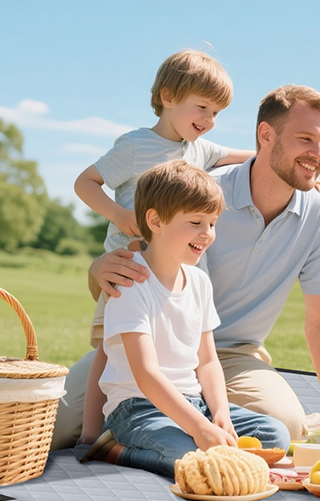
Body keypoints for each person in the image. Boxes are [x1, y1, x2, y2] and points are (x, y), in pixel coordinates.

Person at [58, 84, 320, 455]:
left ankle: (178, 429)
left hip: (233, 356)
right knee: (54, 425)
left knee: (285, 427)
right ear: (266, 135)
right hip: (155, 350)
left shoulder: (319, 212)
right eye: (306, 139)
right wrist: (98, 269)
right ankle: (140, 434)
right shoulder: (202, 196)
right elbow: (141, 275)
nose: (317, 154)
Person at [72, 50, 255, 444]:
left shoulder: (199, 150)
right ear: (168, 96)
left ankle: (187, 415)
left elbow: (247, 158)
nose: (208, 121)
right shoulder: (137, 146)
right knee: (109, 351)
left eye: (217, 113)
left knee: (176, 347)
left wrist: (292, 163)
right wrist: (120, 218)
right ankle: (90, 437)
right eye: (202, 107)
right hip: (129, 265)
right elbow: (85, 181)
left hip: (176, 268)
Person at [91, 160, 288, 477]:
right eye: (196, 222)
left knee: (275, 435)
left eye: (212, 223)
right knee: (187, 454)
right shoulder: (132, 284)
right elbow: (146, 374)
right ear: (155, 221)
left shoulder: (198, 282)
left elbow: (207, 361)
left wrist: (220, 413)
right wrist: (199, 428)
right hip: (137, 409)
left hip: (195, 403)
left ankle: (209, 448)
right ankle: (114, 451)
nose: (207, 234)